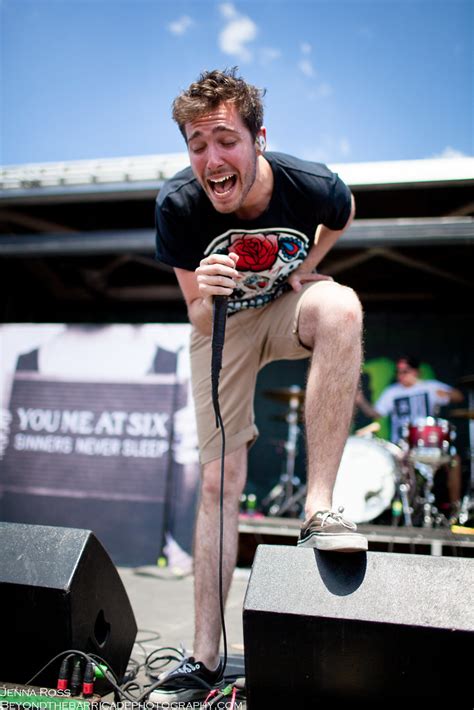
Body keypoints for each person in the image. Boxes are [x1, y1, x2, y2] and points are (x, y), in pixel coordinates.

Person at [154, 68, 367, 702]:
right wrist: (211, 290)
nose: (210, 158)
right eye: (197, 145)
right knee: (221, 482)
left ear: (258, 139)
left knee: (343, 307)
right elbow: (192, 308)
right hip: (221, 324)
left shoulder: (311, 185)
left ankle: (319, 505)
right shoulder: (179, 206)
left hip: (281, 306)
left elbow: (345, 214)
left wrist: (305, 267)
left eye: (224, 140)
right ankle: (206, 657)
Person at [356, 355, 464, 510]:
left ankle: (456, 510)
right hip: (401, 447)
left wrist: (446, 395)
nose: (401, 376)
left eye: (405, 371)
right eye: (398, 372)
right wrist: (360, 401)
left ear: (416, 372)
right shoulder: (392, 392)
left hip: (429, 445)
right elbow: (375, 413)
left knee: (454, 460)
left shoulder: (429, 387)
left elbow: (458, 396)